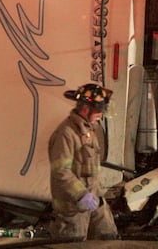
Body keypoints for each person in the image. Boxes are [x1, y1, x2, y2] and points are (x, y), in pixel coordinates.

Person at [48, 83, 118, 240]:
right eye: (99, 111)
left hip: (93, 200)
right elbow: (61, 171)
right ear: (86, 109)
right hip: (72, 207)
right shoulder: (66, 134)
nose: (101, 115)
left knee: (108, 238)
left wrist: (96, 195)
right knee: (74, 243)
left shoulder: (90, 129)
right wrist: (81, 195)